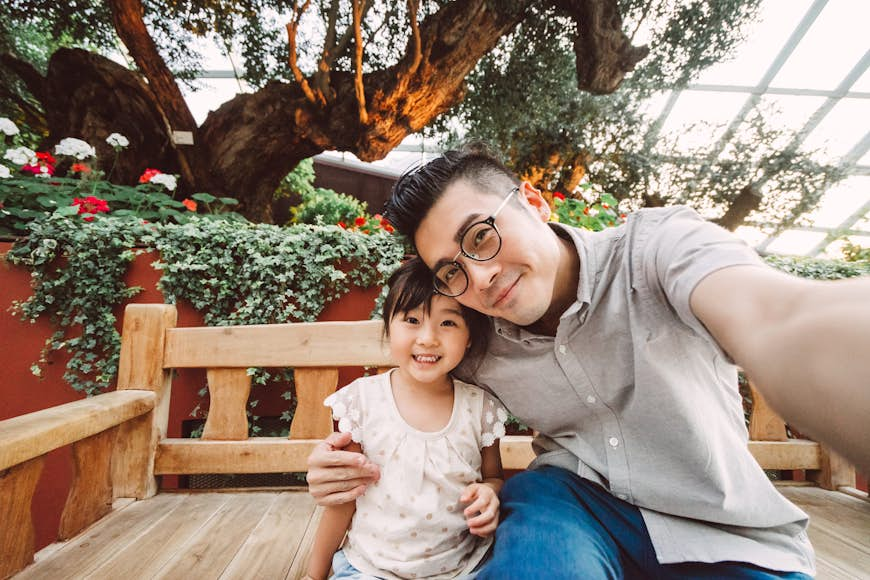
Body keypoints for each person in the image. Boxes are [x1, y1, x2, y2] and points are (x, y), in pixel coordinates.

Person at [308, 145, 870, 578]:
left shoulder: (656, 253)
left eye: (481, 236)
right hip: (570, 508)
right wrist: (336, 464)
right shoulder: (474, 335)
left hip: (724, 530)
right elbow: (412, 395)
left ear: (532, 202)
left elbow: (775, 317)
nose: (478, 278)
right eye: (452, 270)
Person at [305, 257, 508, 580]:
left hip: (462, 569)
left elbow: (493, 476)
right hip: (372, 569)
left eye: (448, 323)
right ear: (388, 327)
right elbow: (342, 498)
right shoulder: (364, 402)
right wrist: (314, 575)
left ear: (469, 336)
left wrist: (490, 493)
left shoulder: (479, 409)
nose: (428, 338)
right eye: (412, 319)